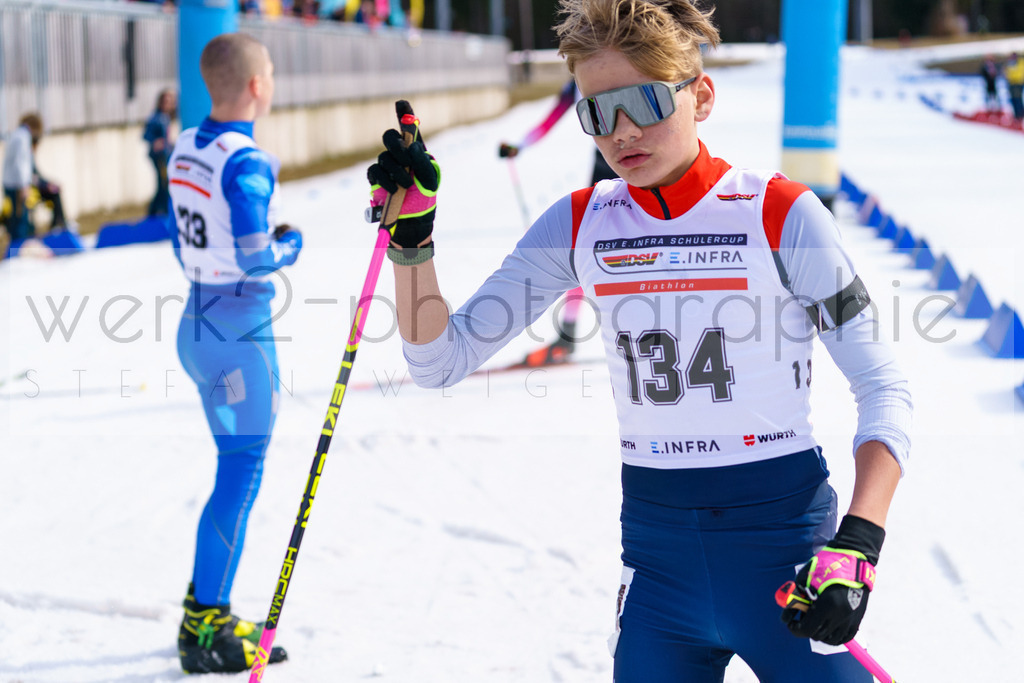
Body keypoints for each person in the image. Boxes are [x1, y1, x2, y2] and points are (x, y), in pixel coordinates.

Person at [367, 1, 912, 681]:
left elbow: (884, 386)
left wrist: (857, 542)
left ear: (700, 96)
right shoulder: (580, 222)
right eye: (597, 113)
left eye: (644, 102)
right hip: (661, 571)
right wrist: (411, 246)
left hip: (783, 556)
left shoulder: (779, 213)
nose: (621, 131)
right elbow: (437, 360)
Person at [168, 32, 301, 674]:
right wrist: (292, 244)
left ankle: (206, 606)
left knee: (232, 469)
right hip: (239, 337)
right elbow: (256, 255)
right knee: (240, 474)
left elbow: (180, 239)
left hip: (197, 324)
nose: (271, 81)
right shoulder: (248, 160)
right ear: (256, 86)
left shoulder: (184, 147)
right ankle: (207, 626)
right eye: (270, 72)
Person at [498, 78, 618, 366]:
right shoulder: (579, 78)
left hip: (641, 167)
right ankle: (568, 334)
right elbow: (550, 120)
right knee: (579, 252)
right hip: (603, 170)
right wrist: (518, 145)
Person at [2, 113, 69, 241]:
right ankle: (18, 248)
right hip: (17, 186)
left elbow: (29, 168)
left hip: (14, 184)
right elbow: (21, 164)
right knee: (19, 220)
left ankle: (58, 226)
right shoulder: (22, 138)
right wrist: (24, 186)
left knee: (19, 220)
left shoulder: (18, 135)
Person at [143, 88, 177, 217]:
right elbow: (146, 135)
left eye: (171, 101)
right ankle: (154, 212)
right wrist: (155, 141)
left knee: (165, 183)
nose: (169, 104)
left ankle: (161, 210)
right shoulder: (156, 118)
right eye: (166, 101)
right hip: (159, 157)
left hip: (166, 155)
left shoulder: (166, 117)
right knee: (163, 183)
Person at [1004, 52, 1024, 121]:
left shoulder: (1020, 63)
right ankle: (1016, 116)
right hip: (1012, 84)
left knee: (1018, 99)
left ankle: (1020, 116)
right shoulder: (1010, 63)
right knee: (1013, 100)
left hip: (1018, 84)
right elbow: (1008, 73)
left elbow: (1019, 74)